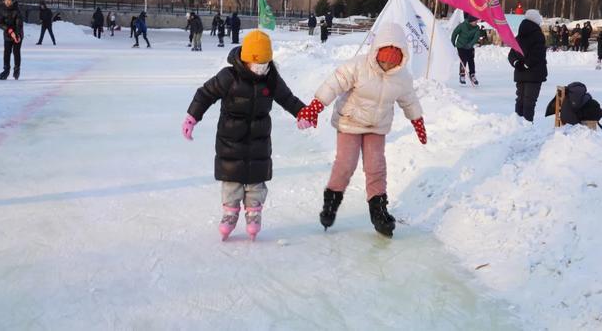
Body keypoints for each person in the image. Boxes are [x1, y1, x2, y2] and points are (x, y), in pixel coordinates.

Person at [296, 22, 426, 238]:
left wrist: (417, 121)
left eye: (391, 63)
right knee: (346, 164)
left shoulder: (402, 77)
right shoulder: (357, 66)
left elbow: (409, 100)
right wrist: (316, 107)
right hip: (350, 122)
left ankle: (378, 211)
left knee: (376, 166)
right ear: (376, 52)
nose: (385, 66)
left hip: (377, 126)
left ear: (401, 59)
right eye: (382, 60)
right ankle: (331, 203)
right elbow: (333, 84)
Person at [182, 30, 306, 241]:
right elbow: (205, 94)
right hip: (230, 140)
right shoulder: (228, 77)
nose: (260, 69)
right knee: (231, 179)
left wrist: (303, 113)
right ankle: (230, 214)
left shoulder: (271, 78)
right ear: (245, 60)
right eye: (257, 65)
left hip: (259, 140)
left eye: (265, 64)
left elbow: (287, 98)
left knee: (256, 180)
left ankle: (254, 214)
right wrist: (192, 117)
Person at [507, 9, 547, 122]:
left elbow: (511, 54)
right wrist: (525, 65)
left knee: (520, 100)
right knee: (529, 101)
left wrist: (517, 63)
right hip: (534, 74)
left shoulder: (519, 36)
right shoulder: (538, 36)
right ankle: (527, 127)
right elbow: (538, 54)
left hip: (521, 74)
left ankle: (518, 125)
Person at [0, 0, 24, 80]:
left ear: (13, 1)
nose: (7, 2)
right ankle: (6, 70)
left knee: (16, 52)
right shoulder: (2, 10)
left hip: (17, 34)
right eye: (6, 0)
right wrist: (9, 30)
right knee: (7, 52)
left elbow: (19, 25)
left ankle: (17, 69)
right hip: (7, 34)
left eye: (9, 0)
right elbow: (0, 22)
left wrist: (16, 34)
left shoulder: (17, 11)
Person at [451, 14, 481, 85]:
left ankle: (472, 75)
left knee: (471, 60)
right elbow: (455, 33)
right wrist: (453, 43)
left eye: (477, 21)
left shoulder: (477, 28)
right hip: (461, 46)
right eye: (475, 21)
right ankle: (462, 75)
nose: (476, 22)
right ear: (471, 21)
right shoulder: (462, 25)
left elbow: (476, 38)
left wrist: (470, 45)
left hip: (469, 47)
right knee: (463, 60)